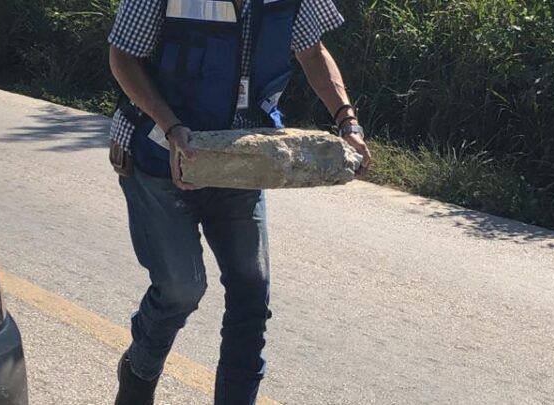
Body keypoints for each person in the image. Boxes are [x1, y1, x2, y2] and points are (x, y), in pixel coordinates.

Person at [107, 0, 371, 404]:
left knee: (252, 292)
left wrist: (346, 120)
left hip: (243, 161)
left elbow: (312, 51)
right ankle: (139, 373)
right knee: (181, 290)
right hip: (162, 155)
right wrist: (171, 125)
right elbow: (123, 57)